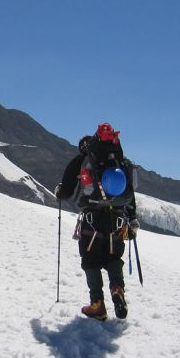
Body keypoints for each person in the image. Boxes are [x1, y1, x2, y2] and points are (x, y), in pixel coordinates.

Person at [54, 122, 139, 320]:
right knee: (113, 258)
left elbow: (65, 191)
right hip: (117, 219)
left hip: (92, 220)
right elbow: (130, 194)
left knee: (91, 261)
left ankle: (97, 305)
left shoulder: (83, 160)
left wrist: (60, 191)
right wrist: (132, 220)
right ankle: (117, 289)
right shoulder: (121, 162)